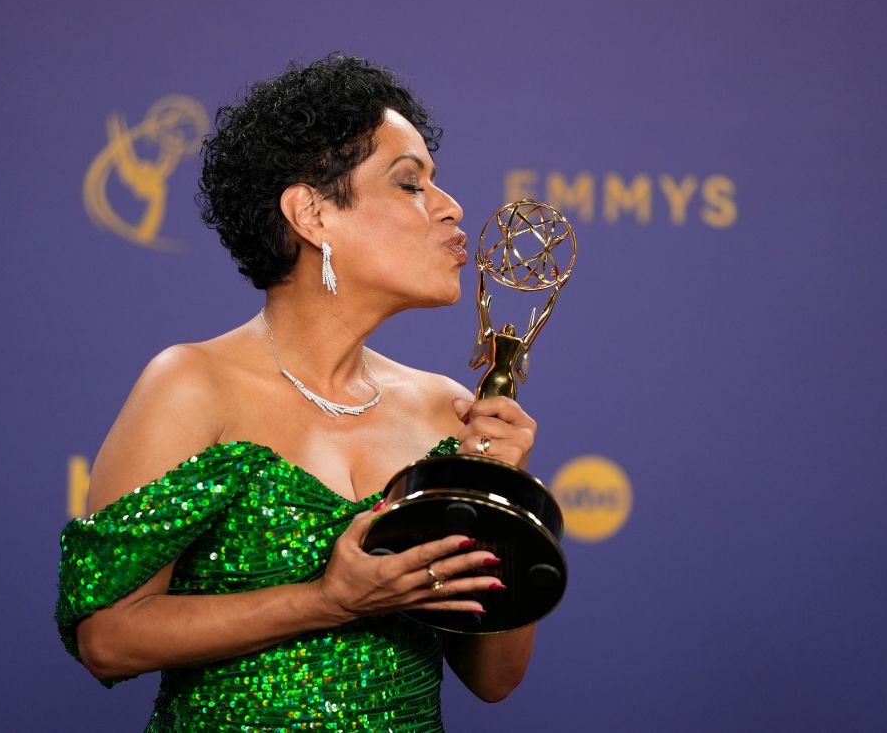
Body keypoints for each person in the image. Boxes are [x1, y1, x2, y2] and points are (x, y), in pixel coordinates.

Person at [56, 55, 540, 731]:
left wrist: (499, 495)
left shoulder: (445, 409)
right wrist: (329, 600)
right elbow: (107, 640)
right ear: (311, 213)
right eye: (409, 183)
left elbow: (495, 680)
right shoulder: (192, 384)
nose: (451, 207)